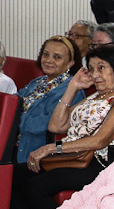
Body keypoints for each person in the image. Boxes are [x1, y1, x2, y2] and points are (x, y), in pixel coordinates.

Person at [5, 45, 114, 209]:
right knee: (9, 178)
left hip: (100, 162)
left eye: (101, 68)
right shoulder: (95, 96)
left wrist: (52, 148)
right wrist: (72, 87)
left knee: (36, 187)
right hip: (72, 156)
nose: (95, 75)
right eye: (92, 69)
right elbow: (56, 125)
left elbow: (100, 140)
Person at [15, 36, 84, 164]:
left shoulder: (73, 91)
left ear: (70, 63)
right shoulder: (37, 82)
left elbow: (37, 126)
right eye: (46, 55)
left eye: (57, 57)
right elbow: (12, 104)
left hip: (37, 155)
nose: (49, 60)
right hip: (15, 146)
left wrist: (13, 121)